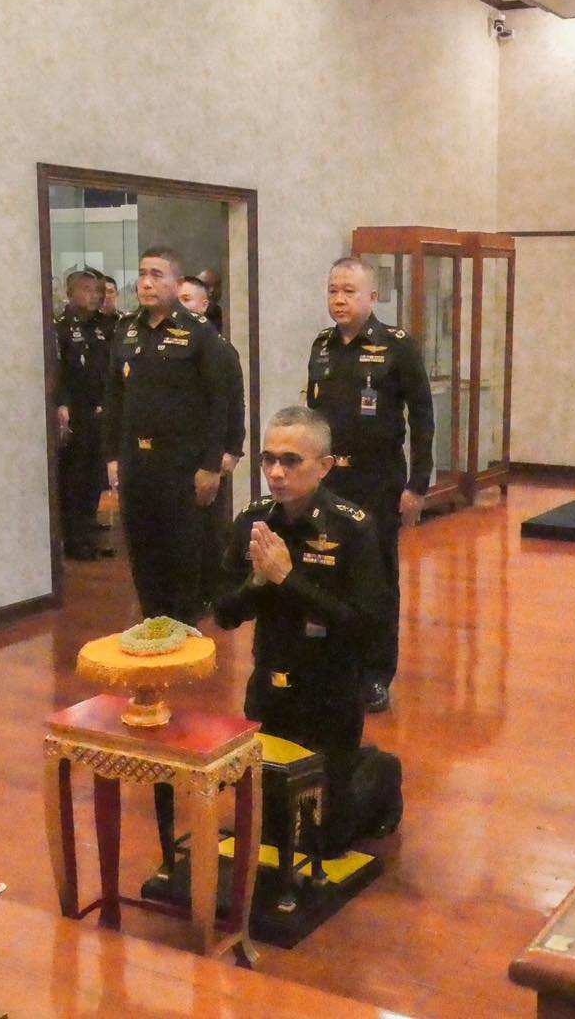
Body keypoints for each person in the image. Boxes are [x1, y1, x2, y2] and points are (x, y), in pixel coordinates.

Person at [214, 407, 402, 853]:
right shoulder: (253, 522)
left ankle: (379, 775)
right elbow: (224, 614)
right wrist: (257, 583)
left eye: (291, 461)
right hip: (270, 684)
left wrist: (287, 579)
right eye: (269, 459)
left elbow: (369, 628)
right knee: (272, 831)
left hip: (330, 692)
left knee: (323, 843)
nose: (276, 473)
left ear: (325, 466)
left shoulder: (352, 528)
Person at [306, 257, 433, 713]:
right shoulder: (322, 347)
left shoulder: (397, 346)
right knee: (326, 570)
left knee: (376, 579)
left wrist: (418, 485)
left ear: (372, 297)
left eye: (349, 291)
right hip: (328, 482)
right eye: (333, 290)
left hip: (377, 482)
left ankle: (376, 674)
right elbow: (312, 422)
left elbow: (422, 418)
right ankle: (334, 666)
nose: (339, 299)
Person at [102, 247, 230, 623]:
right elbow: (114, 398)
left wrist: (212, 465)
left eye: (157, 275)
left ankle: (184, 629)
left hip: (182, 464)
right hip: (137, 463)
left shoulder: (199, 333)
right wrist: (112, 457)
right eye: (143, 274)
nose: (146, 283)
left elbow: (219, 402)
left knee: (182, 555)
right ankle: (153, 624)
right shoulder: (125, 330)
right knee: (144, 552)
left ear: (176, 283)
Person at [178, 275, 246, 604]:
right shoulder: (168, 350)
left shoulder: (220, 349)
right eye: (177, 299)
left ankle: (212, 593)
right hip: (178, 454)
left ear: (204, 305)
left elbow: (233, 403)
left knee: (209, 529)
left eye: (187, 299)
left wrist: (232, 450)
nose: (181, 307)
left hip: (211, 453)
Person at [54, 268, 110, 560]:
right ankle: (74, 540)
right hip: (74, 413)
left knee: (93, 476)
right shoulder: (61, 328)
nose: (94, 296)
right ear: (70, 293)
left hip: (99, 412)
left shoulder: (102, 327)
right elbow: (58, 373)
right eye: (86, 290)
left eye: (97, 290)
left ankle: (89, 533)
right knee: (73, 479)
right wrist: (61, 405)